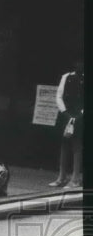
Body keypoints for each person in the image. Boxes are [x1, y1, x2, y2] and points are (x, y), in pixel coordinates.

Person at [50, 60, 83, 188]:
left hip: (80, 116)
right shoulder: (66, 77)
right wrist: (65, 112)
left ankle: (75, 179)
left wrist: (80, 115)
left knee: (77, 145)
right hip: (66, 113)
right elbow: (59, 96)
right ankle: (62, 177)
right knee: (64, 144)